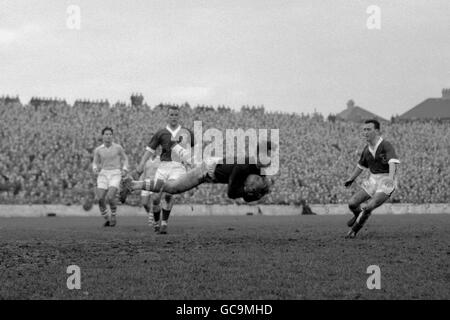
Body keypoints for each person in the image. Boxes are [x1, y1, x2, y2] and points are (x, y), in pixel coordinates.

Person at [125, 140, 275, 204]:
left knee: (190, 162)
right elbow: (231, 193)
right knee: (172, 188)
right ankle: (134, 185)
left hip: (214, 164)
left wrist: (260, 193)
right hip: (207, 170)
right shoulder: (243, 166)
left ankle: (176, 147)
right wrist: (248, 192)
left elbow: (262, 186)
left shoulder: (259, 168)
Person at [134, 106, 194, 234]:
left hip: (178, 167)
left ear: (179, 116)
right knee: (155, 198)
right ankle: (156, 222)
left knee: (168, 194)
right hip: (163, 166)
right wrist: (140, 166)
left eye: (176, 115)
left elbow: (194, 149)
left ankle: (164, 223)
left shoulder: (186, 133)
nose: (173, 117)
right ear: (167, 116)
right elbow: (149, 150)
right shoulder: (161, 133)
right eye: (171, 115)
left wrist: (191, 164)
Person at [344, 119, 400, 238]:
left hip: (387, 179)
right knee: (352, 203)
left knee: (369, 206)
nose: (365, 132)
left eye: (368, 129)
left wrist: (390, 179)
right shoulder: (366, 149)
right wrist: (351, 179)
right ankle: (358, 215)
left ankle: (354, 230)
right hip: (373, 179)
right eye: (364, 130)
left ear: (377, 131)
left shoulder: (385, 145)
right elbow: (360, 166)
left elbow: (393, 163)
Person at [92, 127, 129, 227]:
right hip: (103, 174)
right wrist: (95, 169)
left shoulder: (118, 147)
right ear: (103, 136)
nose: (108, 136)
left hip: (115, 173)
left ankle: (113, 215)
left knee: (110, 196)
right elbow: (95, 162)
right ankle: (107, 218)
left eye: (110, 134)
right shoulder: (98, 150)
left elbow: (125, 159)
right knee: (100, 199)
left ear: (112, 136)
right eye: (106, 134)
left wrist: (125, 169)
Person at [140, 151, 161, 229]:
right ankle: (152, 215)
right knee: (144, 203)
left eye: (155, 150)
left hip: (155, 182)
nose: (153, 151)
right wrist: (140, 182)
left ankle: (151, 221)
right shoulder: (146, 160)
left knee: (153, 202)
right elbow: (144, 172)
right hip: (146, 182)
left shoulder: (160, 159)